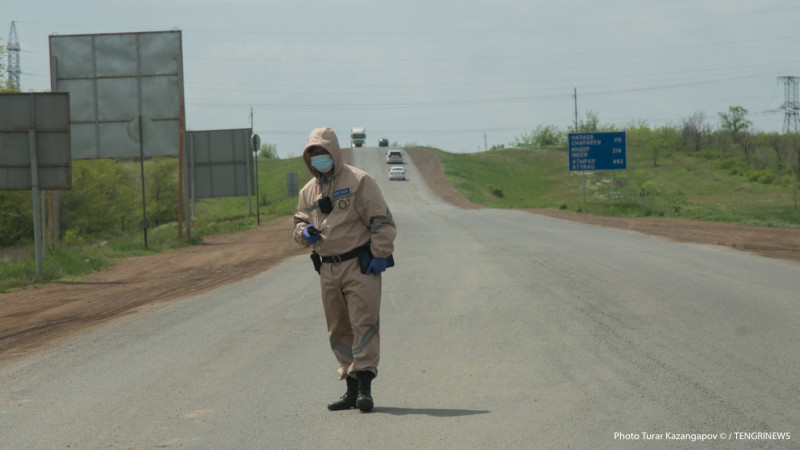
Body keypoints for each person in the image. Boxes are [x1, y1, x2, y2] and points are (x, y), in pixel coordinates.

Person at [293, 127, 397, 412]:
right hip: (327, 268)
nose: (318, 160)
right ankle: (350, 390)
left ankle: (365, 389)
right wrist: (305, 232)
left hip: (358, 265)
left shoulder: (358, 181)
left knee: (363, 323)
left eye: (323, 154)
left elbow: (382, 221)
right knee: (338, 328)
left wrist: (379, 254)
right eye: (312, 156)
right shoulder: (308, 191)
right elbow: (298, 224)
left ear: (334, 153)